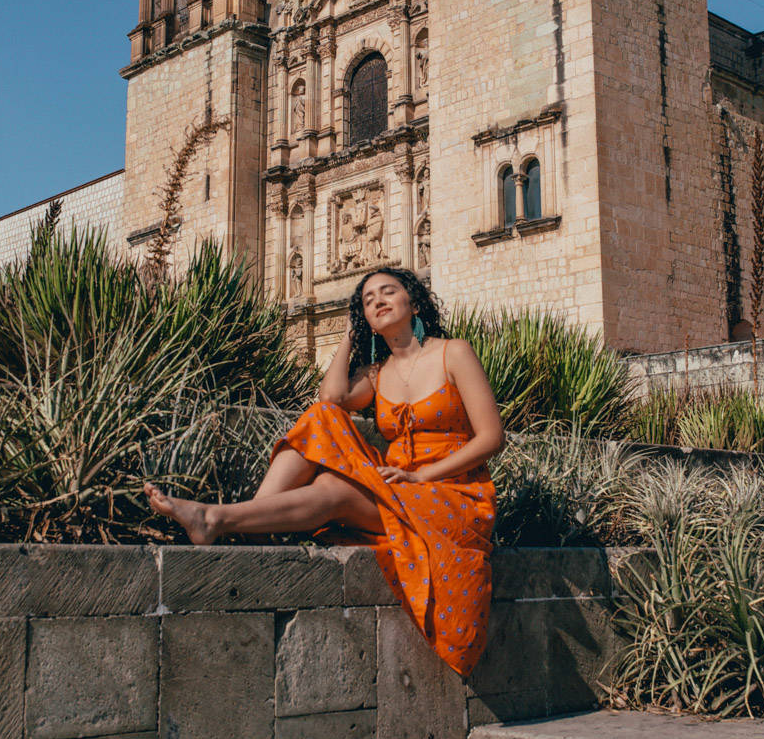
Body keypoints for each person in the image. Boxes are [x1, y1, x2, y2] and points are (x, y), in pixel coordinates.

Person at [144, 267, 505, 675]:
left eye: (388, 292)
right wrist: (352, 334)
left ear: (415, 302)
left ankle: (215, 518)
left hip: (452, 495)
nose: (378, 301)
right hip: (396, 485)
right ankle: (252, 521)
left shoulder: (452, 352)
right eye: (368, 301)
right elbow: (332, 397)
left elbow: (491, 437)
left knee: (335, 487)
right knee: (322, 417)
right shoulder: (378, 373)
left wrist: (422, 477)